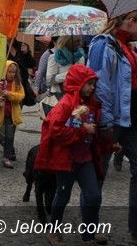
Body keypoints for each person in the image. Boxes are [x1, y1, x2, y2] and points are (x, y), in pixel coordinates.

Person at [34, 64, 104, 246]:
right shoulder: (65, 104)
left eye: (93, 84)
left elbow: (95, 130)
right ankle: (54, 232)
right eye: (89, 84)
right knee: (63, 195)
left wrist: (110, 144)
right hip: (67, 160)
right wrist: (83, 130)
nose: (92, 88)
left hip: (85, 158)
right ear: (78, 83)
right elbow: (56, 130)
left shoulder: (90, 103)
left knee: (93, 195)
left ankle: (89, 235)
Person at [87, 13, 137, 243]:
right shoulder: (103, 45)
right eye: (136, 21)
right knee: (98, 174)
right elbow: (99, 85)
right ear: (126, 20)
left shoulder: (130, 48)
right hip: (112, 119)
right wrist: (105, 122)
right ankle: (89, 229)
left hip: (131, 118)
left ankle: (135, 229)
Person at [0, 61, 24, 169]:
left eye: (14, 72)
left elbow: (21, 96)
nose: (12, 74)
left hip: (12, 115)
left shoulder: (17, 84)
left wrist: (9, 94)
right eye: (9, 72)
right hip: (0, 115)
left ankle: (6, 157)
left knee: (10, 137)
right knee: (0, 136)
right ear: (5, 71)